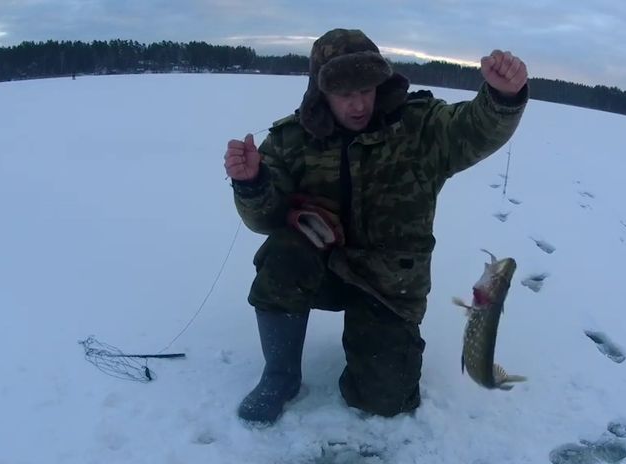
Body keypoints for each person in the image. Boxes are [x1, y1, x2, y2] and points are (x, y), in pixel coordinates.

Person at [223, 28, 528, 425]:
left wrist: (502, 98)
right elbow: (263, 218)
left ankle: (372, 350)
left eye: (366, 89)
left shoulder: (420, 128)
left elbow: (472, 128)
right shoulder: (290, 140)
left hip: (389, 285)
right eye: (344, 94)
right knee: (283, 253)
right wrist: (251, 183)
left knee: (385, 399)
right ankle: (280, 376)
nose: (358, 105)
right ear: (321, 92)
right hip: (322, 271)